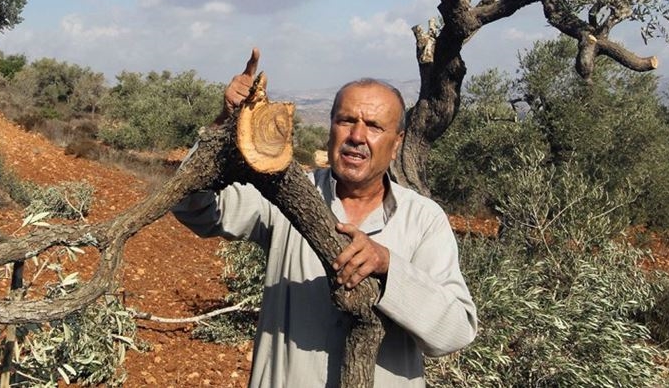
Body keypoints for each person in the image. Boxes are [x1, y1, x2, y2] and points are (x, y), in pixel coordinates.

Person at [171, 49, 476, 387]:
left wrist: (390, 266)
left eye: (374, 126)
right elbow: (191, 206)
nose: (357, 136)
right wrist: (224, 130)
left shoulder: (423, 219)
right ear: (331, 128)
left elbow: (455, 332)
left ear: (397, 142)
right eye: (346, 120)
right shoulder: (285, 193)